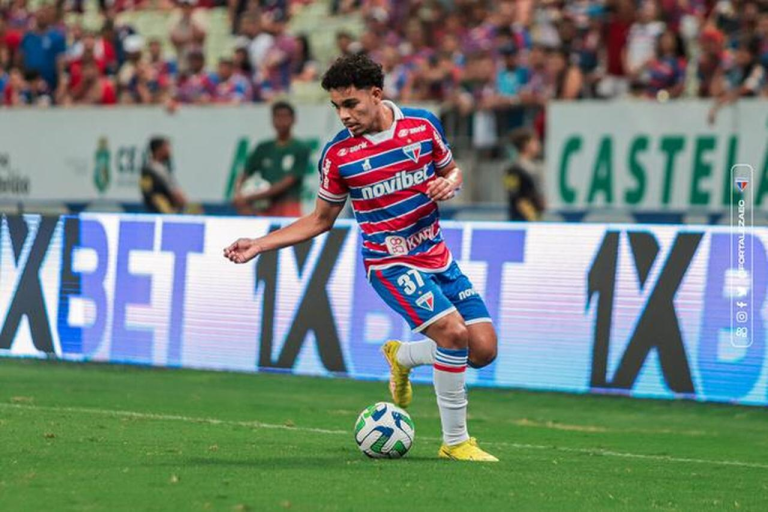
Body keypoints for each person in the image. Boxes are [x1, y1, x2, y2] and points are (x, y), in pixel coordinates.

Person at [224, 54, 498, 462]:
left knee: (482, 351)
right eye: (337, 106)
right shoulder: (339, 155)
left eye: (351, 104)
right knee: (453, 335)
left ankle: (402, 356)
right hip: (388, 263)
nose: (344, 115)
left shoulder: (423, 125)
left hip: (437, 256)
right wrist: (261, 244)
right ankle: (455, 442)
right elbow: (320, 220)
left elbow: (452, 170)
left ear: (376, 94)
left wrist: (450, 183)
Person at [233, 101, 309, 217]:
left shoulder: (300, 148)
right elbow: (245, 173)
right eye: (278, 117)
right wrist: (238, 193)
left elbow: (288, 181)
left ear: (293, 119)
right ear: (272, 120)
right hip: (265, 207)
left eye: (285, 117)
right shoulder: (263, 148)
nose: (281, 121)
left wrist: (251, 197)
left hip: (289, 205)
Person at [506, 128, 545, 221]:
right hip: (521, 221)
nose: (538, 145)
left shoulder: (534, 167)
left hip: (535, 218)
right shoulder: (512, 170)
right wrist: (533, 217)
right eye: (534, 141)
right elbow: (516, 198)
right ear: (526, 145)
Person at [140, 137, 188, 214]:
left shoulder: (161, 169)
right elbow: (150, 196)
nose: (170, 151)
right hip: (163, 214)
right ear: (158, 150)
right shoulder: (153, 170)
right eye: (166, 148)